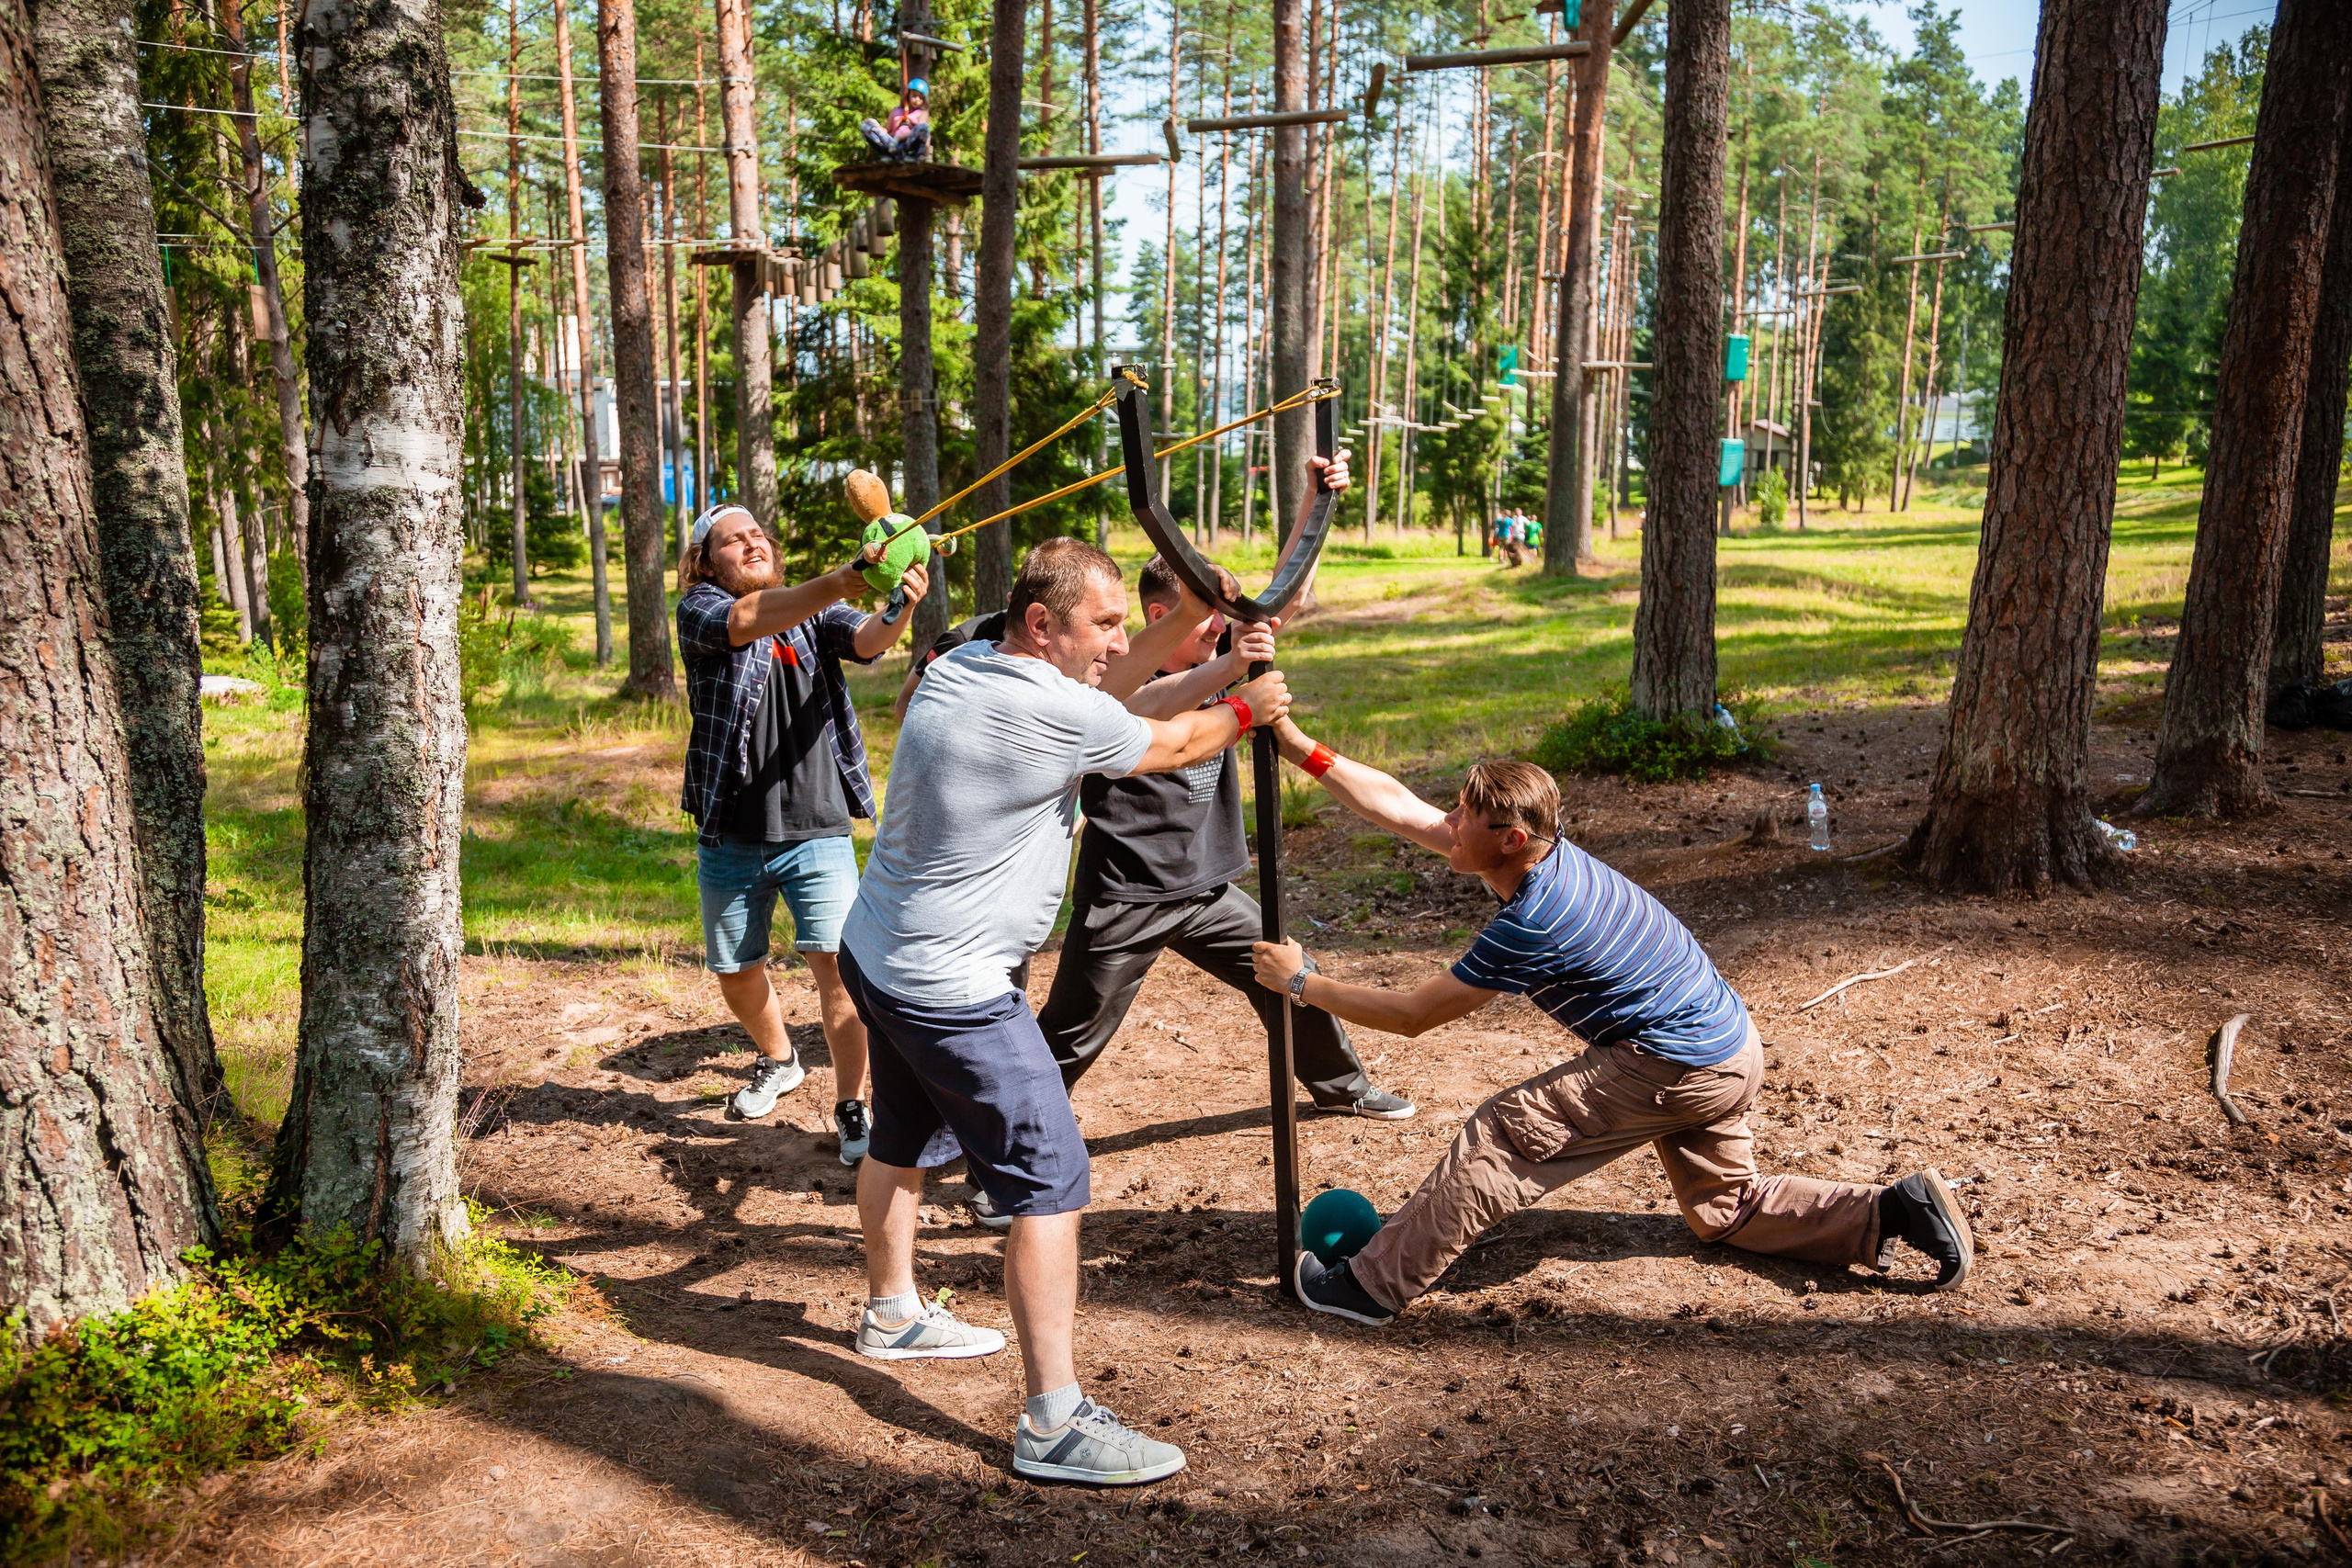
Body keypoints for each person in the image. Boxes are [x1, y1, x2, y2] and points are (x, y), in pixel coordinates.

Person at [836, 462, 1340, 1487]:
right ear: (1038, 625)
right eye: (1103, 622)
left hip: (880, 950)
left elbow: (1121, 679)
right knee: (1051, 1181)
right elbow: (1159, 741)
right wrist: (1246, 707)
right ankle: (1053, 1422)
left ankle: (892, 1312)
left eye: (1123, 621)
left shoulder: (971, 659)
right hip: (951, 983)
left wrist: (1220, 628)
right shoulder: (1047, 708)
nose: (1120, 640)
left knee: (897, 1135)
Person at [1247, 728, 1974, 1327]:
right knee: (1726, 1209)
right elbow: (1400, 810)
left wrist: (1303, 982)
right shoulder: (1549, 859)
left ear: (1511, 837)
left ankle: (1369, 1288)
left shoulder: (1534, 920)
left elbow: (1412, 1017)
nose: (1450, 823)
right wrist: (1296, 744)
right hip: (1726, 1044)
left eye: (1465, 815)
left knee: (1504, 1134)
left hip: (1676, 1062)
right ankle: (1890, 1213)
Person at [1019, 557, 1414, 1225]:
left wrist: (1318, 502)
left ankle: (1342, 1086)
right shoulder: (1117, 689)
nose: (1223, 632)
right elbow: (1142, 711)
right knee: (1069, 1035)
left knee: (1292, 974)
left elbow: (1275, 589)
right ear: (1159, 618)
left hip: (1205, 888)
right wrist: (1231, 677)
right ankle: (1006, 1156)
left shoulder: (1216, 659)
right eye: (1209, 622)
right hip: (1127, 897)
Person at [675, 503, 928, 1166]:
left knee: (840, 971)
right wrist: (843, 579)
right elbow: (748, 620)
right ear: (708, 560)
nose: (754, 543)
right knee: (735, 969)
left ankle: (852, 1101)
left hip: (816, 826)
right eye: (736, 540)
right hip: (731, 826)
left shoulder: (813, 613)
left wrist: (898, 603)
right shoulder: (701, 608)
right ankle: (780, 1057)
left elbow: (869, 641)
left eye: (760, 535)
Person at [860, 79, 931, 162]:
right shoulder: (896, 111)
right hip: (891, 144)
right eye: (914, 96)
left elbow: (922, 132)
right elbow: (887, 129)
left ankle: (910, 155)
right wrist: (877, 128)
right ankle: (889, 154)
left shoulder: (922, 113)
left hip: (908, 145)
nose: (917, 100)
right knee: (866, 126)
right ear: (908, 95)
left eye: (921, 98)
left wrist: (902, 134)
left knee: (923, 127)